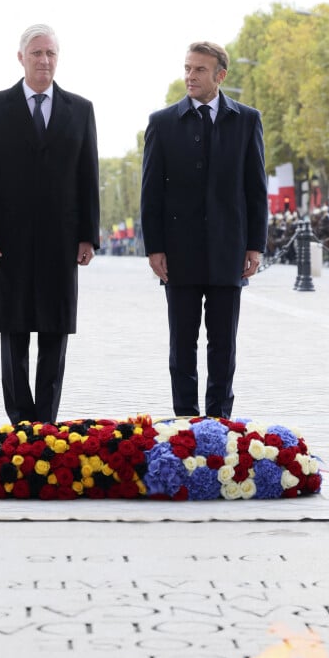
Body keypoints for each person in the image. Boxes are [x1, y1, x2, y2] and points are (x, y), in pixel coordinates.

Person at [0, 24, 99, 425]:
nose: (45, 60)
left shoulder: (81, 109)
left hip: (61, 241)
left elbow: (87, 176)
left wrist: (88, 236)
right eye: (37, 53)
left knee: (56, 332)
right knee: (14, 331)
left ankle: (46, 421)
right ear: (21, 57)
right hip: (8, 242)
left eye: (51, 54)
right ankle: (20, 421)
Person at [141, 41, 268, 419]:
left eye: (199, 70)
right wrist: (155, 247)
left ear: (220, 75)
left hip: (228, 250)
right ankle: (184, 419)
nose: (190, 77)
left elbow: (255, 187)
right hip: (178, 253)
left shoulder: (246, 120)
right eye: (187, 68)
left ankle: (219, 420)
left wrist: (255, 245)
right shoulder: (162, 123)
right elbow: (151, 191)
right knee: (182, 345)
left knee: (223, 345)